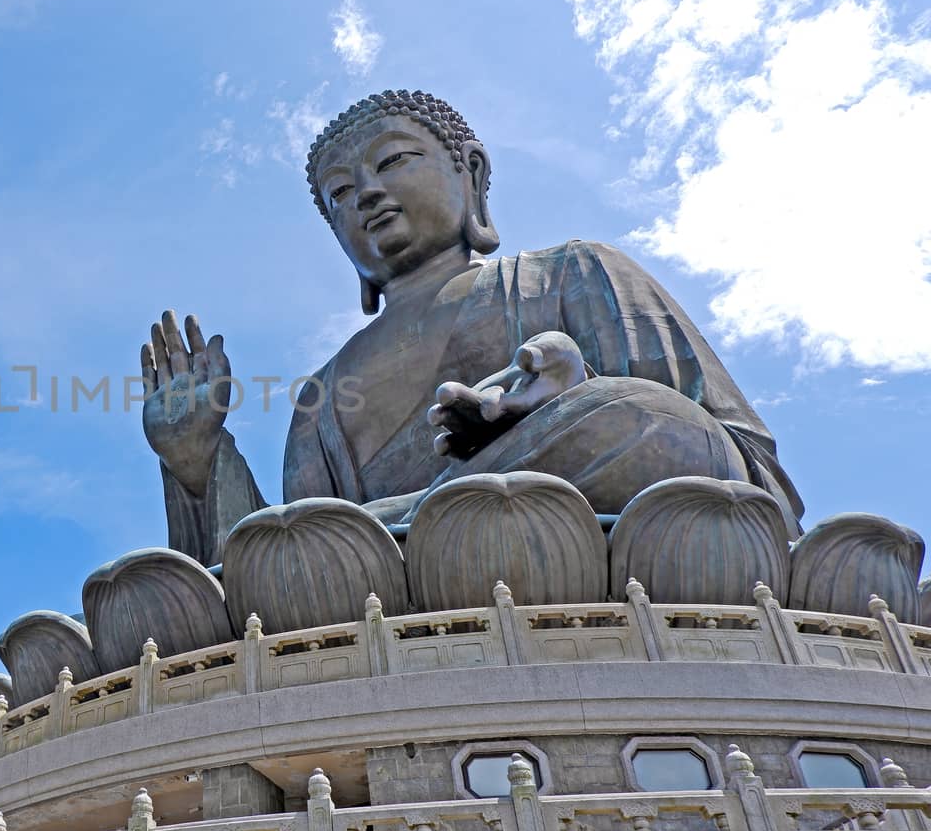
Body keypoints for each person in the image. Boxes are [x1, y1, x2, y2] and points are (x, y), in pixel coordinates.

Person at [140, 89, 803, 565]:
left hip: (602, 550)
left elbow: (737, 459)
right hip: (399, 590)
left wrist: (563, 399)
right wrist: (195, 458)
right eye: (340, 193)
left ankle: (407, 521)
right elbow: (286, 552)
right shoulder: (322, 392)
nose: (366, 193)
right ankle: (413, 522)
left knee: (636, 417)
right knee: (299, 546)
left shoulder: (572, 271)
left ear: (472, 174)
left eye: (393, 160)